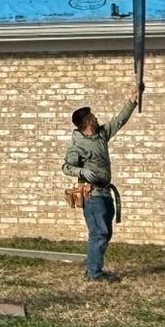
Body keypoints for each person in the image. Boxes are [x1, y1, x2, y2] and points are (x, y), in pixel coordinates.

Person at [63, 82, 140, 281]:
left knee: (105, 233)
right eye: (94, 116)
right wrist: (82, 171)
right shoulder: (78, 145)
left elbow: (119, 121)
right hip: (92, 195)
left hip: (105, 193)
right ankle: (94, 274)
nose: (97, 118)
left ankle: (93, 268)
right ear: (88, 121)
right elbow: (65, 167)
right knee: (99, 233)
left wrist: (131, 101)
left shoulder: (101, 135)